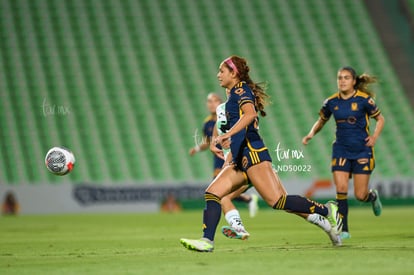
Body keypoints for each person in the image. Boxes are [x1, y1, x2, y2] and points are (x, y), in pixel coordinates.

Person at [180, 55, 342, 252]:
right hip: (239, 157)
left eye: (222, 71)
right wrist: (218, 142)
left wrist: (229, 134)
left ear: (234, 73)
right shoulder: (231, 98)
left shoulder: (241, 90)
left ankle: (327, 210)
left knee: (278, 201)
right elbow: (225, 128)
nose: (218, 75)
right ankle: (207, 241)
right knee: (213, 193)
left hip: (254, 153)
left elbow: (250, 115)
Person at [302, 66, 384, 240]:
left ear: (354, 81)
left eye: (346, 78)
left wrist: (374, 137)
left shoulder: (364, 100)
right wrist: (310, 134)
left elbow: (380, 119)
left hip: (362, 150)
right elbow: (321, 121)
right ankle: (344, 229)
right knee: (341, 189)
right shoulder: (331, 102)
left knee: (360, 195)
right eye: (340, 77)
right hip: (341, 149)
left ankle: (372, 196)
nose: (342, 81)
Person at [189, 93, 258, 240]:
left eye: (214, 101)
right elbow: (209, 142)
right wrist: (198, 148)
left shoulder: (233, 113)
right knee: (222, 196)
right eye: (209, 101)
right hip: (224, 159)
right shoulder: (208, 124)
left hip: (238, 160)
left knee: (220, 195)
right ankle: (239, 223)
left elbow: (243, 132)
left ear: (221, 103)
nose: (211, 104)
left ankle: (210, 238)